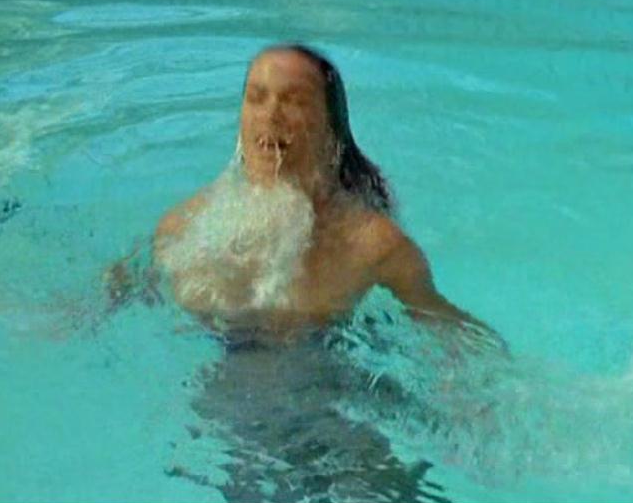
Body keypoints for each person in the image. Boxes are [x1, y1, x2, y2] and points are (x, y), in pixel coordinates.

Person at [107, 43, 504, 352]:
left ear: (331, 128)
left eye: (294, 100)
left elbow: (441, 321)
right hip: (218, 403)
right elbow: (121, 288)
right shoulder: (184, 226)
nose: (270, 115)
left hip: (334, 396)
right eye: (256, 97)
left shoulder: (373, 244)